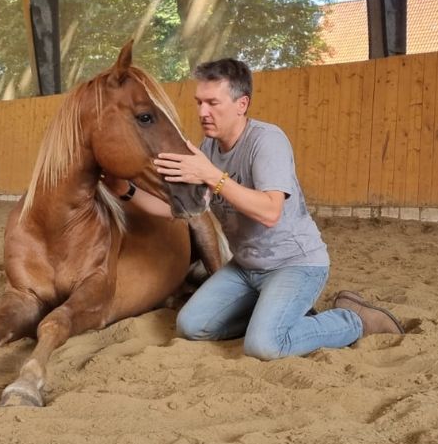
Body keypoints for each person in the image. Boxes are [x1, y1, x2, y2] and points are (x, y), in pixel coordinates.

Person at [103, 58, 403, 360]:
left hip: (295, 264)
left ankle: (353, 320)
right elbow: (179, 211)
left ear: (241, 104)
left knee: (264, 346)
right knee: (191, 326)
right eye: (199, 102)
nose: (202, 112)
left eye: (212, 103)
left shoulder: (267, 141)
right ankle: (274, 318)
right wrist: (125, 191)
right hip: (246, 268)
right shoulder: (208, 149)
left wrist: (210, 175)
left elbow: (270, 212)